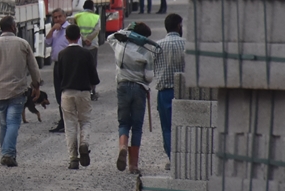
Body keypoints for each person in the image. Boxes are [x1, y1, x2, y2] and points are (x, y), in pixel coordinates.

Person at [0, 16, 43, 168]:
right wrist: (36, 85)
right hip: (17, 90)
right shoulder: (23, 44)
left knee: (4, 123)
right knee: (13, 122)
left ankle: (5, 152)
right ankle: (8, 154)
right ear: (13, 27)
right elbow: (33, 67)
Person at [109, 21, 157, 174]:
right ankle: (133, 165)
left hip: (122, 86)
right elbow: (149, 77)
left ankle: (122, 146)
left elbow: (110, 37)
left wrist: (126, 30)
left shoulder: (119, 46)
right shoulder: (146, 52)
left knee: (123, 122)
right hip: (139, 89)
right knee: (136, 126)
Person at [53, 24, 100, 169]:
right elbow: (94, 77)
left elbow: (58, 77)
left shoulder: (62, 54)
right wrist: (93, 85)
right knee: (85, 121)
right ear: (79, 36)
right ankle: (84, 143)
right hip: (84, 92)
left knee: (70, 125)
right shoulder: (86, 54)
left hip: (67, 92)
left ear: (66, 37)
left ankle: (73, 158)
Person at [155, 13, 186, 170]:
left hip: (164, 92)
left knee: (167, 127)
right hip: (184, 92)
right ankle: (185, 157)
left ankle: (172, 158)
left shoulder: (158, 46)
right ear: (179, 26)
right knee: (184, 126)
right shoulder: (187, 45)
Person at [44, 8, 71, 132]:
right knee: (58, 93)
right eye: (55, 17)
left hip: (67, 65)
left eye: (60, 16)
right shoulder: (55, 30)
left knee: (67, 93)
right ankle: (62, 121)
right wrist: (52, 29)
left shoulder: (69, 29)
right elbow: (47, 43)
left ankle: (68, 122)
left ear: (65, 16)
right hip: (57, 64)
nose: (58, 19)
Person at [72, 0, 102, 100]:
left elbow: (74, 28)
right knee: (92, 68)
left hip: (80, 45)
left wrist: (84, 39)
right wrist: (89, 39)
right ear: (93, 8)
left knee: (80, 68)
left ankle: (81, 89)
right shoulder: (96, 17)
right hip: (92, 46)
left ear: (83, 7)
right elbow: (97, 30)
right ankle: (93, 91)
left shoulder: (77, 16)